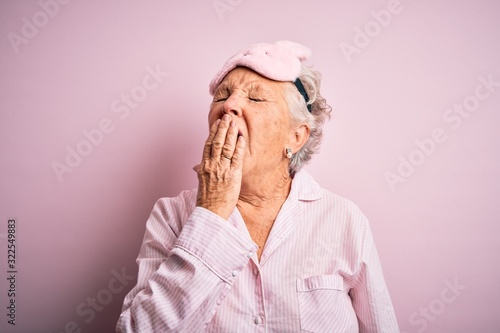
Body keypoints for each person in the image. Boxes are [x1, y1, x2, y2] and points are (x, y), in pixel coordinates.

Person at [116, 40, 399, 332]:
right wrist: (211, 212)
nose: (229, 105)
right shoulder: (170, 216)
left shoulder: (345, 220)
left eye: (255, 99)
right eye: (222, 96)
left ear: (296, 137)